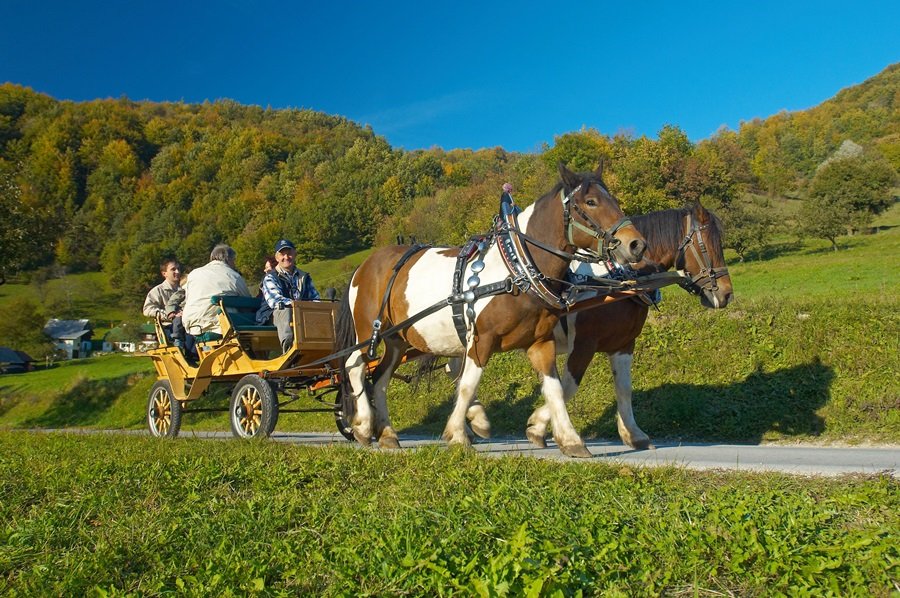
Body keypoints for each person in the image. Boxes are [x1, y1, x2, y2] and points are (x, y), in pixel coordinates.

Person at [259, 239, 320, 353]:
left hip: (300, 315)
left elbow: (315, 298)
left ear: (295, 254)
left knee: (320, 311)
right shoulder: (270, 277)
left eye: (289, 253)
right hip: (271, 317)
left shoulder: (304, 277)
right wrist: (299, 306)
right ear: (277, 258)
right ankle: (289, 350)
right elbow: (275, 301)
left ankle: (323, 346)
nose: (286, 257)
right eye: (282, 254)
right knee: (284, 310)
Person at [182, 244, 252, 336]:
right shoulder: (233, 276)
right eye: (234, 260)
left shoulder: (194, 273)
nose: (234, 264)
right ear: (229, 259)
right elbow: (248, 302)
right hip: (221, 326)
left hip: (193, 325)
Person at [142, 258, 182, 343]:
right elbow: (147, 310)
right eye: (173, 269)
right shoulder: (157, 291)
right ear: (164, 273)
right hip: (168, 327)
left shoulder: (184, 289)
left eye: (178, 269)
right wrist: (168, 315)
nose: (177, 272)